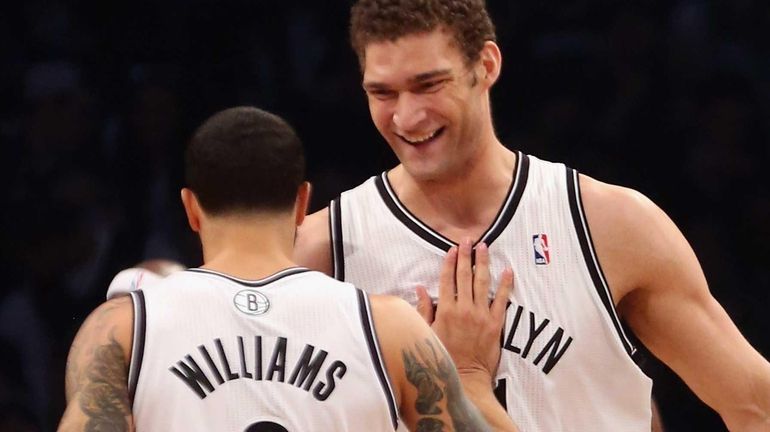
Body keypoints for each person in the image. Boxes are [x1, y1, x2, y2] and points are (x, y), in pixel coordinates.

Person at [293, 0, 770, 431]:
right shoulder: (321, 252)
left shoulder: (610, 225)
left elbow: (755, 405)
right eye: (383, 93)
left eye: (428, 84)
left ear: (486, 64)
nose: (407, 116)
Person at [59, 106, 517, 431]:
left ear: (191, 209)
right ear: (302, 203)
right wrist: (472, 377)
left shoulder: (119, 329)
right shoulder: (391, 329)